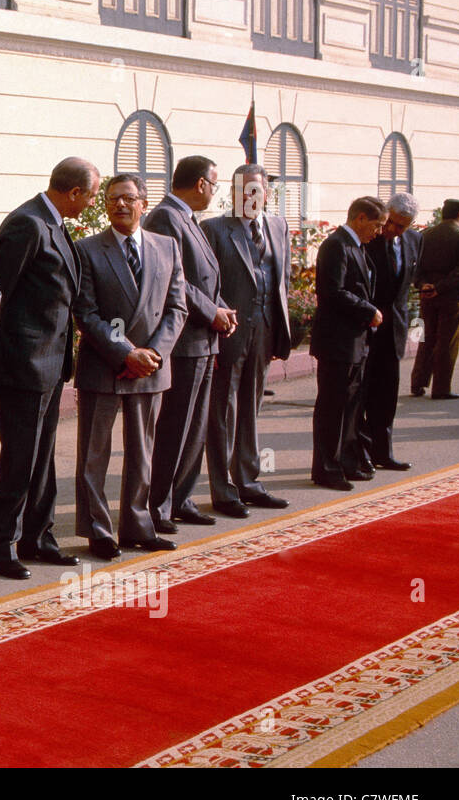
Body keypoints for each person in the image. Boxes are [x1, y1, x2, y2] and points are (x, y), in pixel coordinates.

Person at [0, 157, 98, 579]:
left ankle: (38, 536)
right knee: (21, 460)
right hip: (24, 365)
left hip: (49, 363)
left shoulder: (54, 223)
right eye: (91, 196)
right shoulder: (27, 224)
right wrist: (3, 357)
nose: (90, 205)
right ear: (74, 193)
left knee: (43, 458)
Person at [71, 174, 187, 560]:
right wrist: (125, 353)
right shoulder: (87, 249)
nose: (119, 205)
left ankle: (138, 526)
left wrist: (153, 354)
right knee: (94, 453)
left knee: (142, 453)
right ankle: (98, 530)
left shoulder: (167, 246)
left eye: (128, 199)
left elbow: (177, 307)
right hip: (105, 365)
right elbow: (85, 311)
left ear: (144, 202)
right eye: (111, 200)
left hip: (151, 366)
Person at [143, 155, 235, 533]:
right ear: (200, 184)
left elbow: (204, 277)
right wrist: (211, 311)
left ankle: (181, 498)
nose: (215, 193)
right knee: (175, 426)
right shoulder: (166, 217)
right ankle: (159, 506)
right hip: (183, 340)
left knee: (195, 425)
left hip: (204, 339)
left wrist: (221, 308)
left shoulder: (186, 219)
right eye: (214, 185)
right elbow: (176, 281)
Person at [203, 164, 292, 518]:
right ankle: (223, 490)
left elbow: (281, 277)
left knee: (251, 411)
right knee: (223, 410)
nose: (250, 197)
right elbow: (206, 283)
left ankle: (249, 482)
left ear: (267, 193)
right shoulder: (213, 229)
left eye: (256, 191)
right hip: (230, 331)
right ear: (233, 193)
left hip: (265, 328)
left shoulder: (277, 225)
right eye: (243, 191)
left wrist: (280, 327)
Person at [310, 196, 386, 490]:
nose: (378, 231)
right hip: (337, 342)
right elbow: (332, 291)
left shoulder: (357, 247)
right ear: (361, 218)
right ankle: (326, 468)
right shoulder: (336, 245)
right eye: (376, 225)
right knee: (332, 407)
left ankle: (346, 461)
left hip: (356, 340)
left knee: (351, 406)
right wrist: (368, 311)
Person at [359, 194, 423, 469]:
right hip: (365, 328)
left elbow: (407, 283)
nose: (393, 230)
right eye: (392, 223)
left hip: (394, 328)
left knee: (387, 396)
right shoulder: (368, 238)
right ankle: (359, 452)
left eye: (401, 226)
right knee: (360, 396)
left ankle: (383, 452)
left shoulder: (414, 241)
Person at [409, 198, 459, 400]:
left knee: (425, 338)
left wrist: (423, 285)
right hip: (451, 297)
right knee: (447, 342)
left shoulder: (426, 235)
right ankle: (441, 387)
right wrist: (440, 288)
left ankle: (418, 383)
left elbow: (417, 268)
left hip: (427, 295)